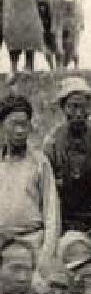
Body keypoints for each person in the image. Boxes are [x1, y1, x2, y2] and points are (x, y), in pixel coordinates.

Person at [43, 77, 91, 250]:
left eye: (84, 107)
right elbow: (47, 188)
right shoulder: (53, 142)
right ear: (63, 108)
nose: (79, 113)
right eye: (73, 107)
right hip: (66, 220)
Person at [0, 94, 60, 276]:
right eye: (14, 124)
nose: (20, 131)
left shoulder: (40, 162)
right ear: (3, 125)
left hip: (32, 244)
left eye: (24, 124)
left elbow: (51, 213)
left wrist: (46, 255)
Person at [2, 0, 45, 80]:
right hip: (11, 1)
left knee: (30, 33)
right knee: (12, 32)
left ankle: (29, 66)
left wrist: (41, 1)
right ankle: (13, 68)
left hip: (29, 1)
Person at [57, 0, 83, 69]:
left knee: (72, 45)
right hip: (66, 23)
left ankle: (73, 65)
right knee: (66, 45)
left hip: (71, 24)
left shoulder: (75, 3)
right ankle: (67, 64)